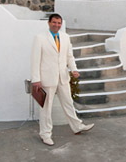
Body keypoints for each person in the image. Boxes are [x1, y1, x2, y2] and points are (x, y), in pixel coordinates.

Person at [30, 13, 93, 146]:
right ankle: (45, 134)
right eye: (54, 22)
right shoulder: (40, 38)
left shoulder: (65, 37)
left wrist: (74, 69)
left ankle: (77, 126)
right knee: (46, 108)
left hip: (63, 77)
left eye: (59, 23)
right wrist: (36, 79)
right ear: (49, 23)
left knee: (68, 103)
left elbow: (69, 56)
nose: (57, 25)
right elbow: (35, 61)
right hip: (47, 78)